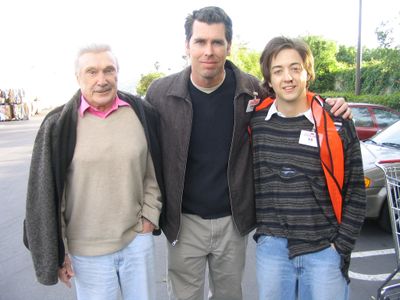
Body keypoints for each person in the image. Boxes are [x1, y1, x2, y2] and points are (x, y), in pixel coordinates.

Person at [145, 7, 351, 300]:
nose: (209, 51)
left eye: (217, 42)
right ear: (186, 46)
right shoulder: (160, 93)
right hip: (183, 222)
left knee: (229, 296)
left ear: (229, 46)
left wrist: (331, 105)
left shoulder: (252, 90)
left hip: (232, 222)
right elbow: (144, 149)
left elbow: (293, 95)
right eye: (200, 42)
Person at [23, 44, 163, 300]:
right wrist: (58, 250)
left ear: (117, 74)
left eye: (109, 70)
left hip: (136, 242)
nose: (102, 80)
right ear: (78, 78)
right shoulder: (59, 125)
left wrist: (149, 218)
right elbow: (46, 195)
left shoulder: (140, 114)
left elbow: (152, 173)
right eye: (92, 72)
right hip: (87, 255)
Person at [251, 36, 366, 300]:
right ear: (269, 80)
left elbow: (356, 192)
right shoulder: (256, 121)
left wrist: (341, 246)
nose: (287, 77)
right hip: (272, 249)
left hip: (324, 250)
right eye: (278, 71)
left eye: (295, 68)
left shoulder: (336, 122)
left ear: (308, 72)